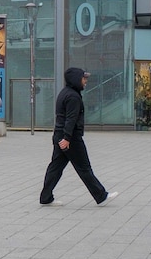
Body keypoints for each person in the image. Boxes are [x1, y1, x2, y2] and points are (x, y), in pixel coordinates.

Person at [40, 68, 119, 207]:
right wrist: (67, 138)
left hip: (60, 135)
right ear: (76, 79)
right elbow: (71, 119)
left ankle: (46, 197)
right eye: (84, 79)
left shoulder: (65, 93)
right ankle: (101, 195)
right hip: (70, 139)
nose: (86, 81)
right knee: (84, 168)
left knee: (55, 167)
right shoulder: (73, 97)